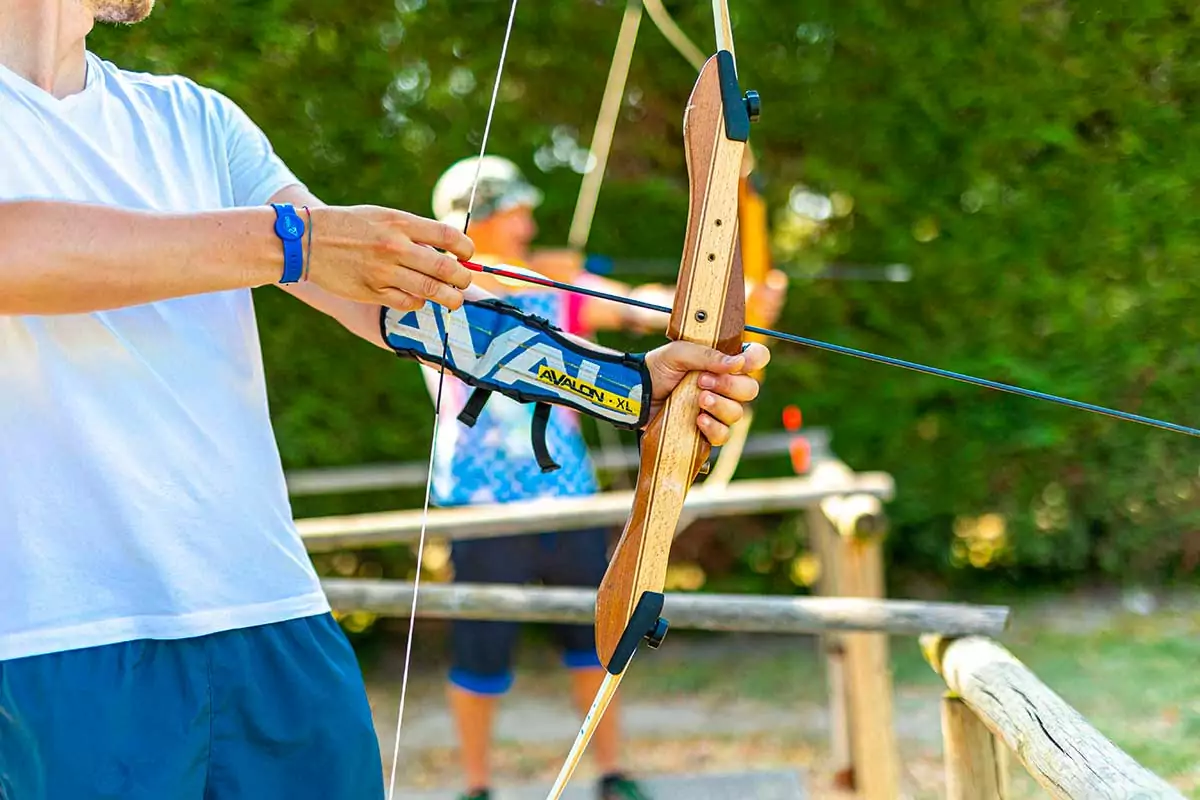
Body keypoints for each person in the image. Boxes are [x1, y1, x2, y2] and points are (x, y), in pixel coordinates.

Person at [0, 3, 770, 799]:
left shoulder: (193, 117)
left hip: (272, 615)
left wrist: (631, 389)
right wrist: (293, 241)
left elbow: (382, 300)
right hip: (54, 637)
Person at [424, 156, 787, 800]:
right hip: (480, 508)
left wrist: (738, 301)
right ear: (471, 222)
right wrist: (536, 276)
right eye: (514, 213)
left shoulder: (559, 286)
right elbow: (467, 292)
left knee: (597, 641)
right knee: (479, 654)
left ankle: (610, 775)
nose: (529, 223)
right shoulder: (437, 287)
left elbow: (648, 311)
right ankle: (477, 786)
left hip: (568, 497)